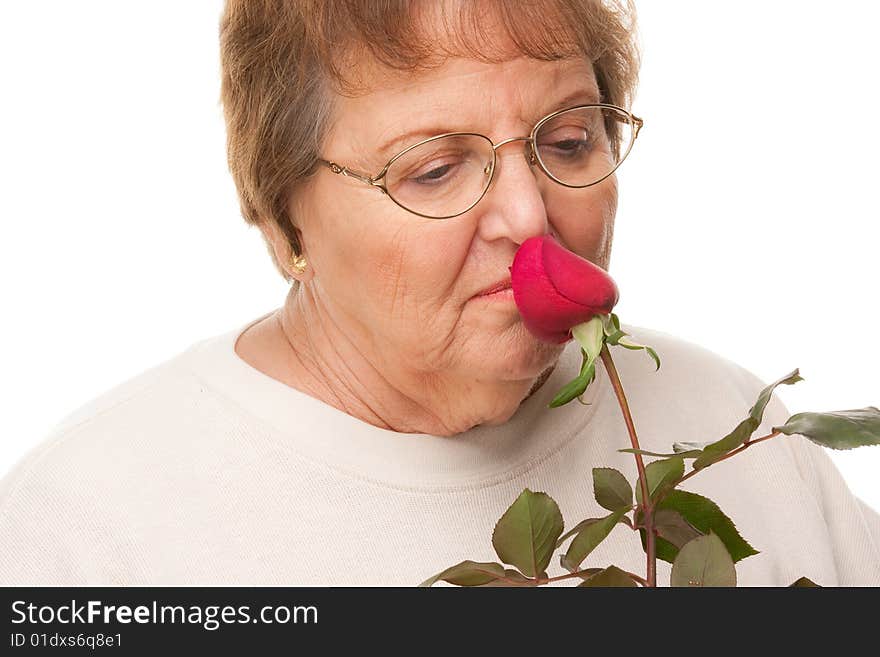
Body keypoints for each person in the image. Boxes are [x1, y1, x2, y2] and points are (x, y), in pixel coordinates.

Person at [0, 0, 877, 587]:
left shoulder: (747, 431)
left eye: (567, 140)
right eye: (435, 167)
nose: (530, 214)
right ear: (285, 220)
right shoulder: (84, 535)